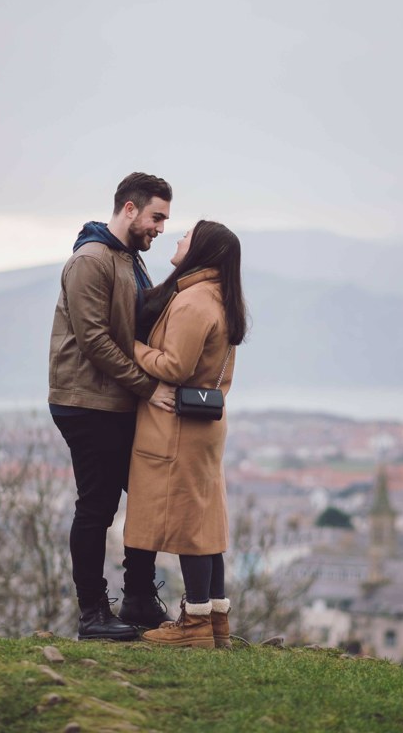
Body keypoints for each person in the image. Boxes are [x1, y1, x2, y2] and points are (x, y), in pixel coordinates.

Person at [48, 172, 175, 640]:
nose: (159, 228)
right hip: (84, 402)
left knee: (145, 496)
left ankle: (139, 597)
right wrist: (147, 386)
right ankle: (93, 614)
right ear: (129, 209)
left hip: (116, 401)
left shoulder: (129, 261)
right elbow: (95, 340)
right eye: (156, 217)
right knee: (97, 509)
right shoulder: (91, 260)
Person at [124, 219, 248, 648]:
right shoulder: (217, 297)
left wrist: (131, 346)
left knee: (192, 525)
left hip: (178, 429)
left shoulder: (194, 302)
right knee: (207, 521)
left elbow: (174, 367)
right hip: (202, 428)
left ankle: (194, 625)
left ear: (203, 252)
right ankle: (214, 619)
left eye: (187, 236)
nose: (177, 239)